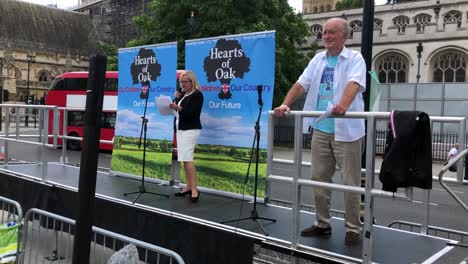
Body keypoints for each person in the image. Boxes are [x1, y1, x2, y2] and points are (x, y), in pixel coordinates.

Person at [273, 17, 366, 246]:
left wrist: (343, 105)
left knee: (350, 181)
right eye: (324, 32)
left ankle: (353, 227)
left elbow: (354, 84)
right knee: (318, 178)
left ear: (344, 36)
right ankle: (323, 223)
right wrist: (285, 104)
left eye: (331, 33)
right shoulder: (317, 59)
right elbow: (300, 84)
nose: (326, 36)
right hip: (321, 128)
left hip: (347, 130)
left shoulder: (355, 58)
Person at [169, 71, 204, 202]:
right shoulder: (183, 94)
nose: (182, 84)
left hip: (190, 130)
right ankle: (188, 187)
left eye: (185, 82)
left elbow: (191, 113)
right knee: (184, 159)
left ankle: (195, 190)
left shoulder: (197, 95)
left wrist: (178, 107)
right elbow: (176, 109)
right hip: (180, 129)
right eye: (181, 82)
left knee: (188, 160)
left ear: (192, 81)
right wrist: (176, 99)